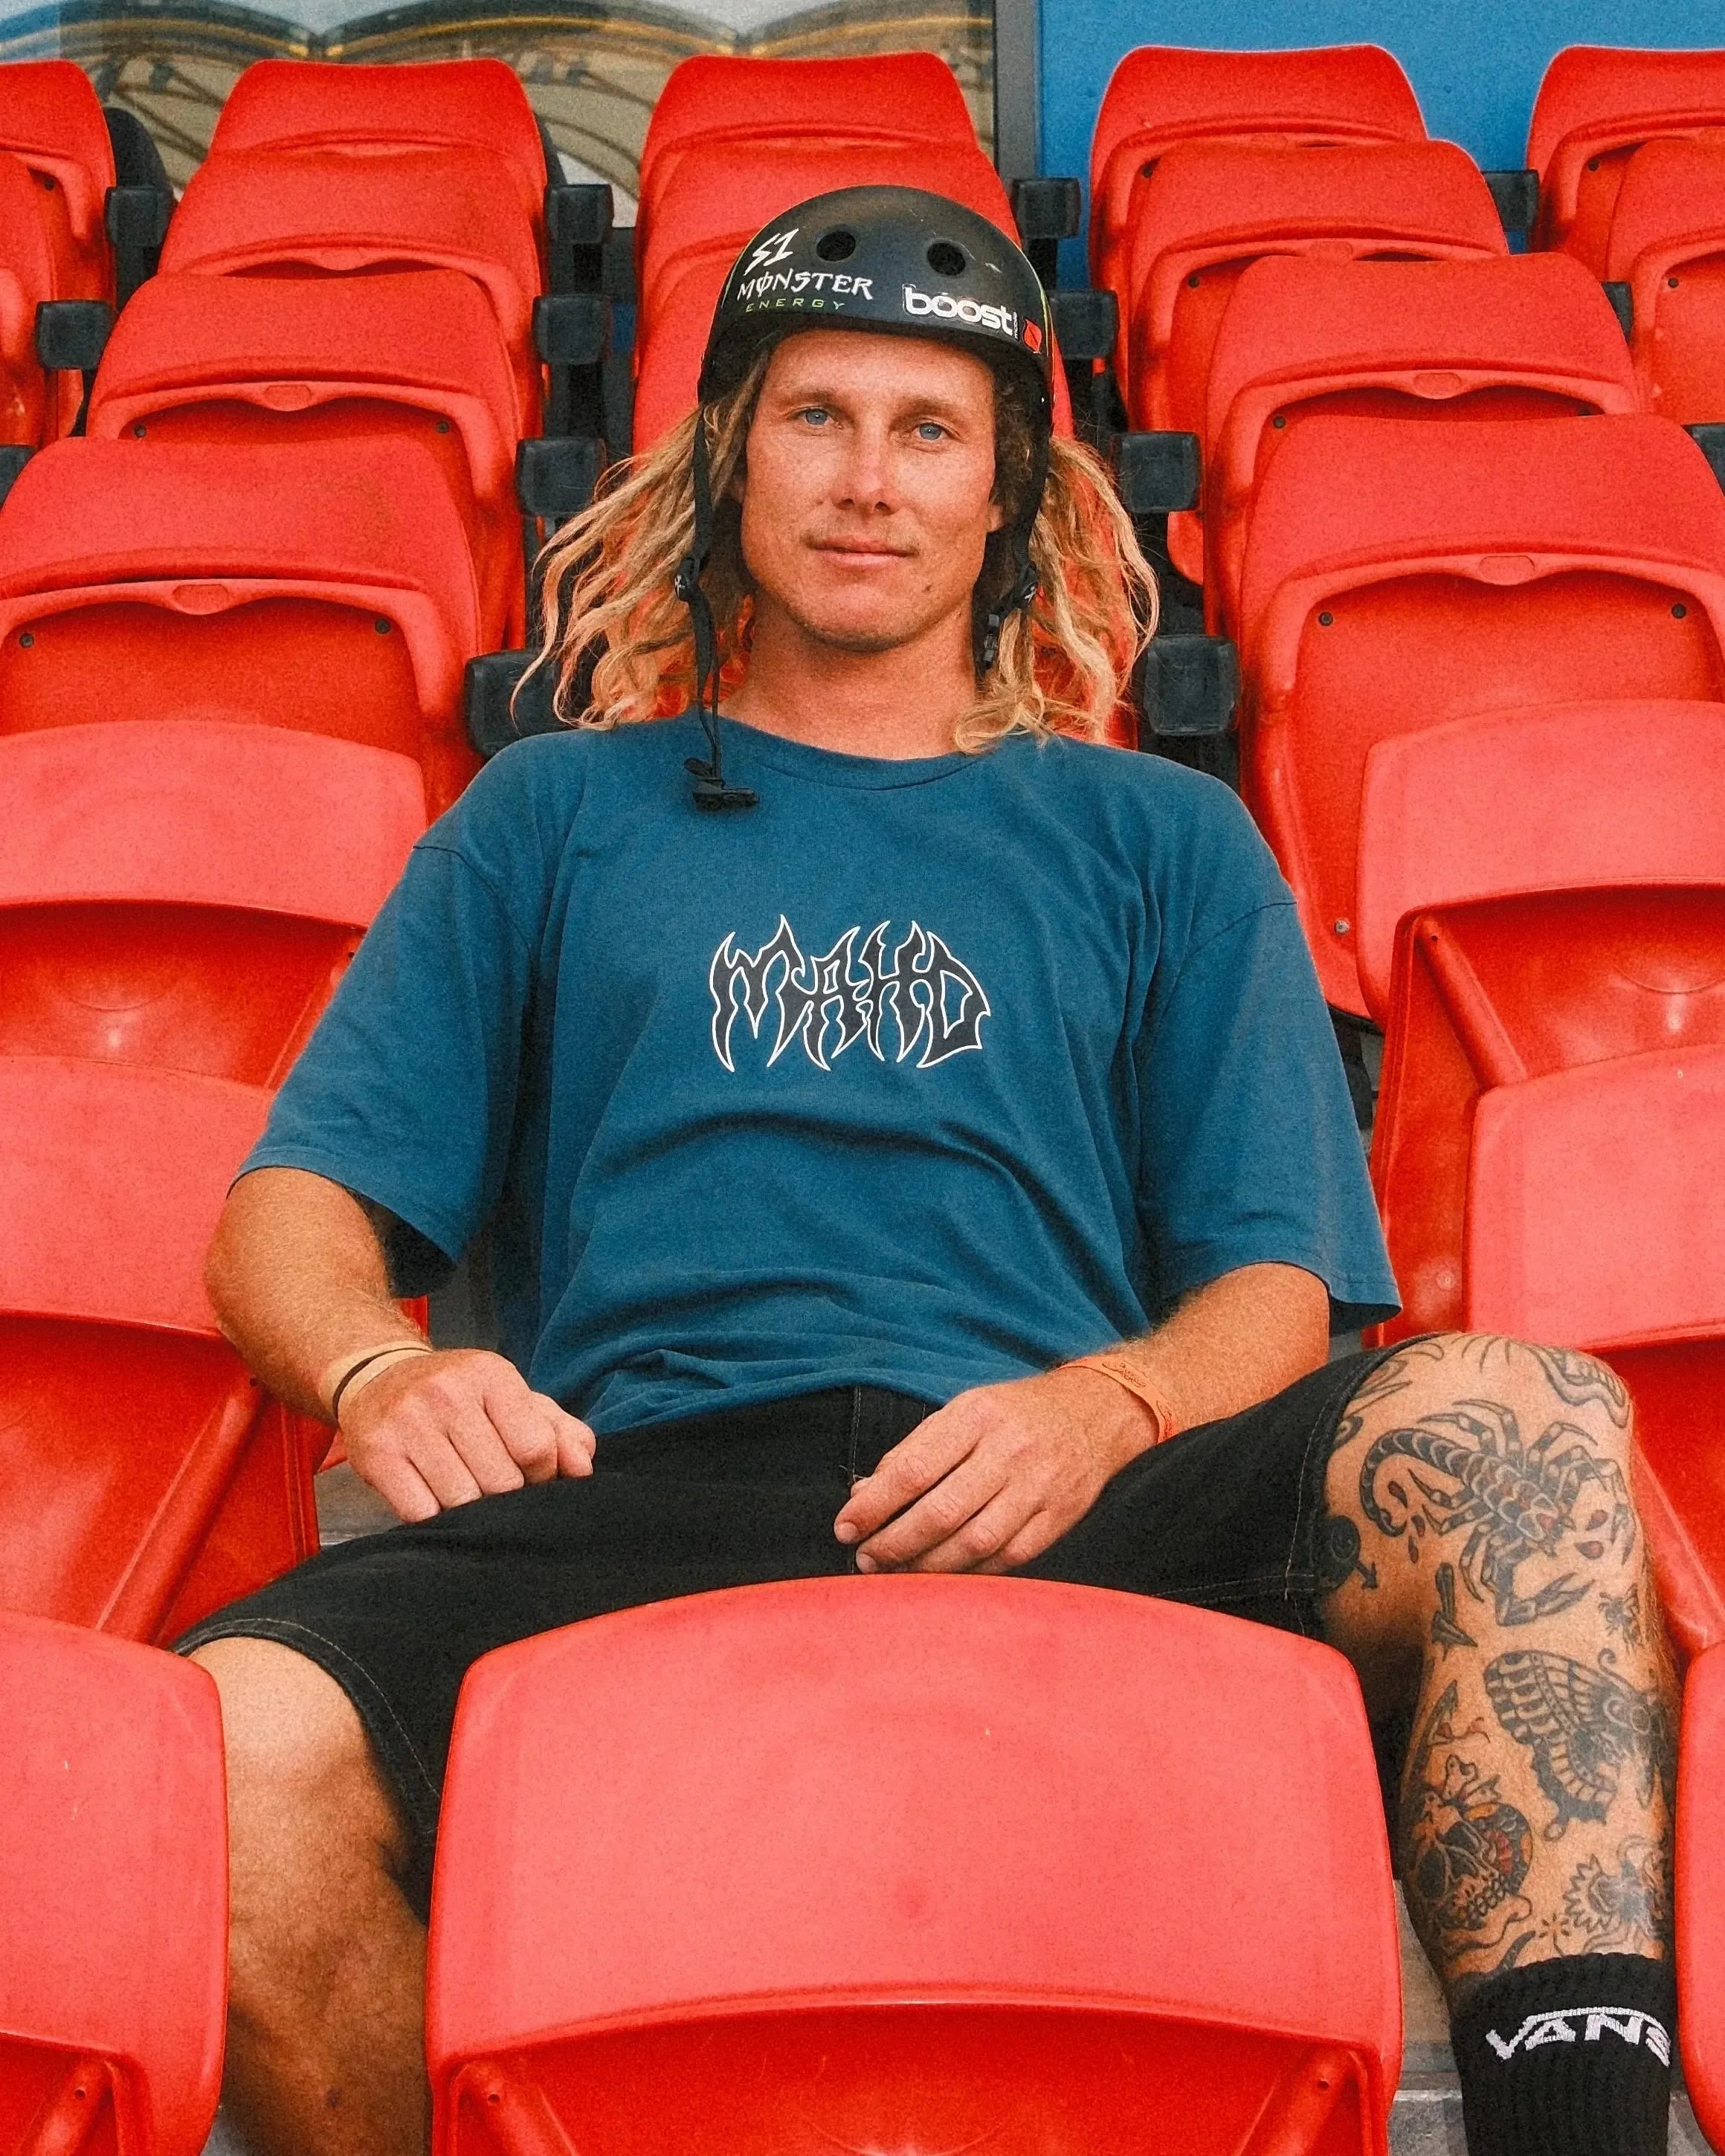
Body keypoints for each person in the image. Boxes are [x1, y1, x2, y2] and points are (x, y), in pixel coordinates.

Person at [181, 190, 1677, 2156]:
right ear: (728, 456)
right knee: (220, 1758)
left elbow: (1271, 1292)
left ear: (1010, 491)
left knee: (1528, 1420)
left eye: (927, 428)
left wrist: (1106, 1401)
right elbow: (285, 1217)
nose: (867, 481)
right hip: (656, 1489)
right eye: (815, 417)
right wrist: (382, 1371)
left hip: (1058, 1483)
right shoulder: (552, 815)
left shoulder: (1164, 840)